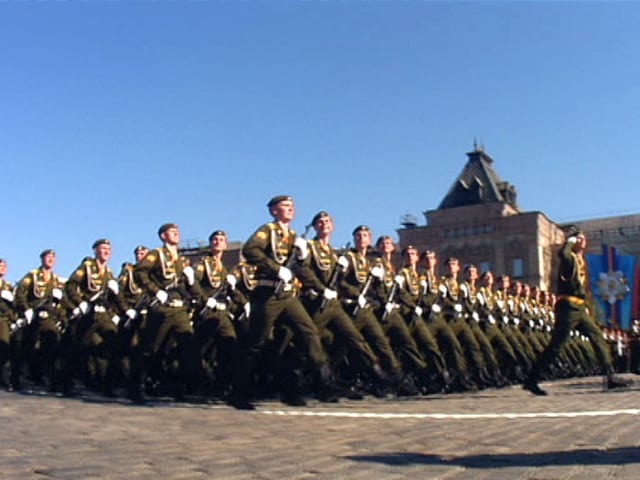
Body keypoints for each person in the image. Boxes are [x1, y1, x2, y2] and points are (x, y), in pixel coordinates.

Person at [232, 195, 334, 409]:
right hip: (268, 294)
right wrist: (276, 268)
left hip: (287, 295)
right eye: (284, 206)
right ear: (274, 211)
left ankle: (321, 378)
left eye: (291, 206)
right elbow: (250, 250)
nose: (290, 209)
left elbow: (302, 269)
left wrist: (304, 259)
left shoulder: (294, 236)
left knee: (308, 332)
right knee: (256, 343)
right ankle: (240, 392)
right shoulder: (268, 230)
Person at [523, 227, 631, 395]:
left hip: (580, 307)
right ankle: (532, 379)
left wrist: (586, 307)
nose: (583, 241)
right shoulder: (569, 258)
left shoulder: (580, 260)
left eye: (583, 239)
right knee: (557, 345)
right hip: (568, 308)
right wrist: (570, 241)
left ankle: (610, 377)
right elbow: (562, 255)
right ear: (572, 242)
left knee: (597, 338)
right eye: (579, 239)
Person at [297, 211, 389, 392]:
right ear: (315, 226)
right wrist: (323, 289)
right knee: (309, 343)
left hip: (334, 304)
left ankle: (379, 373)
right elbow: (303, 271)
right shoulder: (310, 247)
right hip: (315, 301)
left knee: (352, 337)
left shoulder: (333, 252)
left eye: (327, 221)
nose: (324, 224)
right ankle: (302, 381)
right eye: (320, 222)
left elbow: (339, 280)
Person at [133, 223, 201, 402]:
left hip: (180, 309)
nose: (176, 234)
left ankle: (177, 386)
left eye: (177, 231)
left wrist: (192, 282)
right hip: (162, 308)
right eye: (172, 231)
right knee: (152, 349)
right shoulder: (156, 254)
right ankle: (137, 387)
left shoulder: (181, 259)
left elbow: (188, 287)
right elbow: (139, 273)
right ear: (163, 236)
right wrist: (156, 291)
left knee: (188, 347)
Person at [63, 239, 127, 397]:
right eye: (103, 248)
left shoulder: (109, 273)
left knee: (112, 345)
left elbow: (112, 299)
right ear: (95, 250)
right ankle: (65, 383)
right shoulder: (87, 267)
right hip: (88, 315)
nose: (106, 252)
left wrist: (120, 304)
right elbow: (70, 285)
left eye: (108, 249)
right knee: (79, 349)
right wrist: (80, 303)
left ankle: (107, 386)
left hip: (103, 314)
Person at [191, 230, 241, 397]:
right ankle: (202, 383)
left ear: (226, 244)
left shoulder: (224, 268)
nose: (218, 242)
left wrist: (243, 303)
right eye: (215, 239)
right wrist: (205, 300)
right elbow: (194, 284)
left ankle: (222, 384)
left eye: (221, 240)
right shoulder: (203, 262)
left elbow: (230, 292)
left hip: (222, 313)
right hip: (208, 312)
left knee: (230, 346)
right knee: (201, 350)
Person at [13, 250, 65, 391]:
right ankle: (16, 380)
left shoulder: (55, 279)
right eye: (48, 257)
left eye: (53, 258)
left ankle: (53, 382)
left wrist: (61, 317)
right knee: (24, 347)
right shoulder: (33, 275)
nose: (50, 259)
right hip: (32, 315)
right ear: (42, 259)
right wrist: (26, 309)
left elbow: (60, 302)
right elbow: (20, 293)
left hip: (47, 317)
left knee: (52, 344)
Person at [0, 259, 16, 389]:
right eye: (0, 266)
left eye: (4, 266)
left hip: (3, 321)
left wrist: (14, 319)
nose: (3, 268)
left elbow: (12, 306)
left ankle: (4, 379)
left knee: (4, 348)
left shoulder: (7, 286)